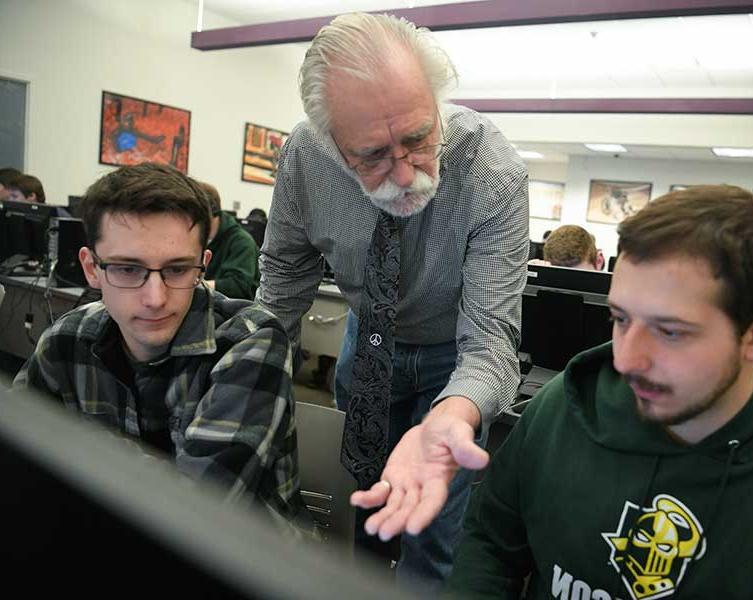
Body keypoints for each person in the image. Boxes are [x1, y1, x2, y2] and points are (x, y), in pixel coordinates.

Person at [447, 185, 753, 599]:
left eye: (670, 332)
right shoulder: (564, 407)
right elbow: (490, 543)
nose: (626, 361)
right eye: (621, 319)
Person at [256, 12, 528, 590]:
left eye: (417, 139)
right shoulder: (305, 156)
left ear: (435, 103)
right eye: (373, 155)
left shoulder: (491, 169)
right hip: (367, 338)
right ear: (332, 141)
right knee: (367, 506)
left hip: (452, 355)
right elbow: (284, 275)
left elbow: (491, 344)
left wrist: (452, 416)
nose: (405, 175)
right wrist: (249, 366)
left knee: (434, 529)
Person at [14, 162, 306, 528]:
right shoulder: (64, 341)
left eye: (177, 270)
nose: (155, 298)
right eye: (127, 269)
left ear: (203, 265)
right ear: (91, 268)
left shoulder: (251, 340)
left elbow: (196, 512)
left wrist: (75, 456)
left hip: (249, 564)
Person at [198, 181, 261, 300]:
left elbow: (238, 285)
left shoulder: (241, 242)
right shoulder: (199, 237)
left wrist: (195, 286)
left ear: (212, 211)